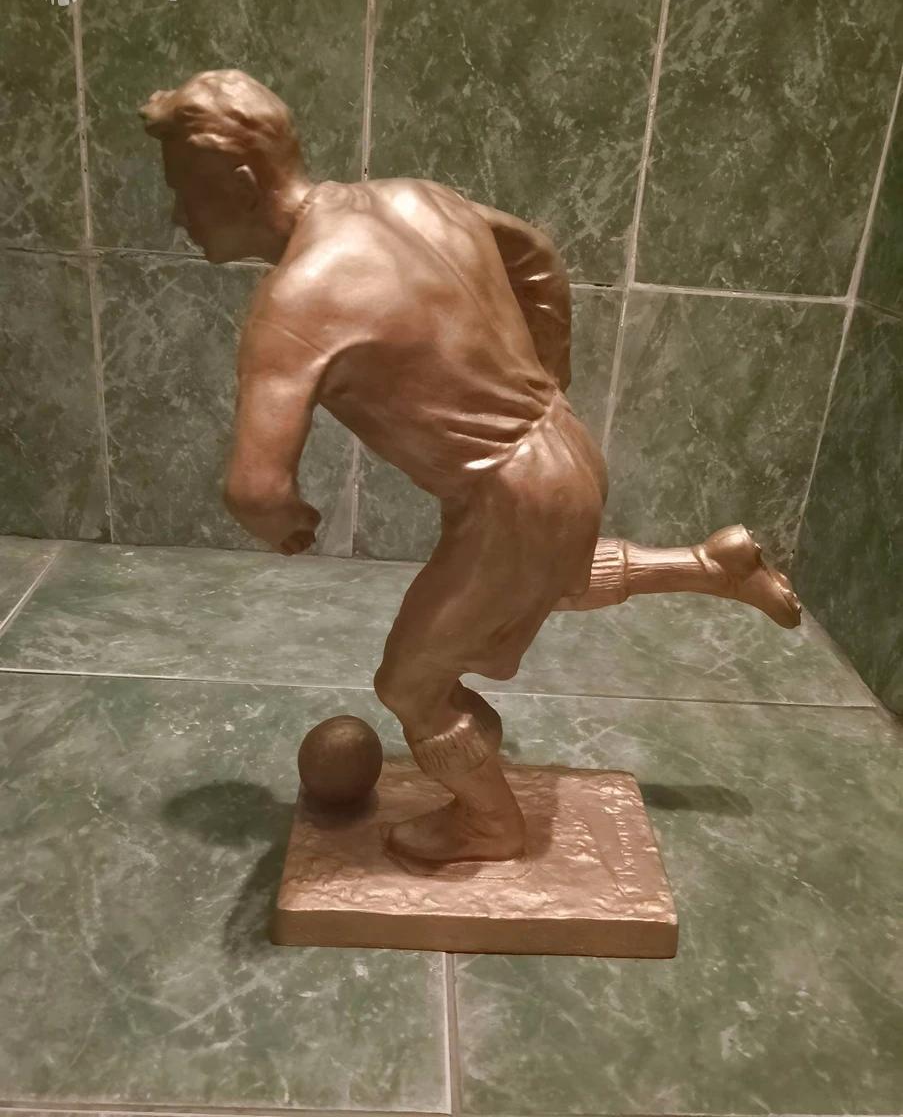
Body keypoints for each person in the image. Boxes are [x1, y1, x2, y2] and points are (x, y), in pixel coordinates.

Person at [141, 70, 800, 863]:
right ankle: (712, 566)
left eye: (183, 190)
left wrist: (286, 524)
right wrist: (545, 382)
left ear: (243, 182)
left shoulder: (296, 301)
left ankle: (489, 823)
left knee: (410, 684)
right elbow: (534, 257)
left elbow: (255, 488)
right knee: (542, 576)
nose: (177, 215)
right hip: (562, 448)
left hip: (510, 492)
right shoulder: (413, 198)